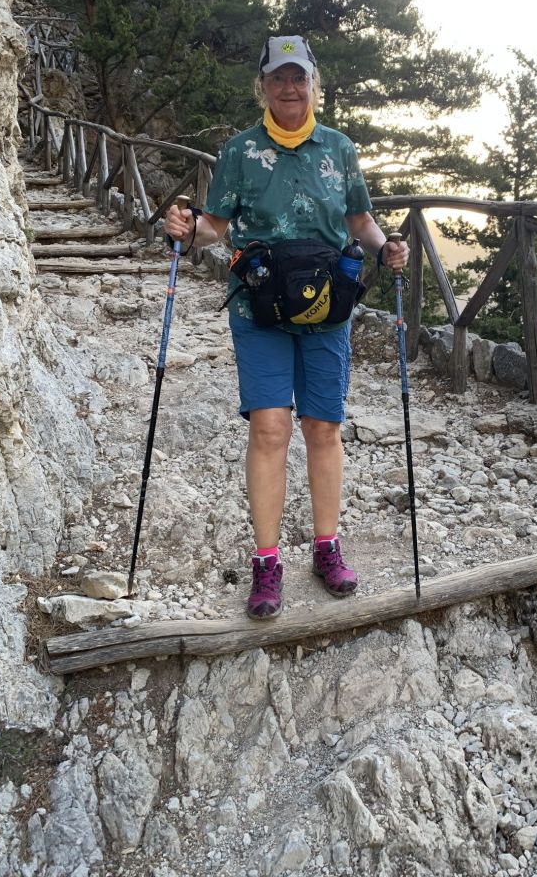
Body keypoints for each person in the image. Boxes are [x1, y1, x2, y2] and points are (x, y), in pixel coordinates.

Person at [164, 35, 408, 620]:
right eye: (279, 78)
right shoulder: (239, 151)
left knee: (323, 427)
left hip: (327, 307)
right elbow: (216, 225)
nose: (290, 88)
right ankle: (267, 562)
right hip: (260, 308)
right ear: (264, 86)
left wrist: (387, 247)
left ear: (314, 85)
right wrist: (188, 229)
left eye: (299, 78)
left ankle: (327, 548)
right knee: (270, 428)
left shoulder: (339, 149)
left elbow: (360, 219)